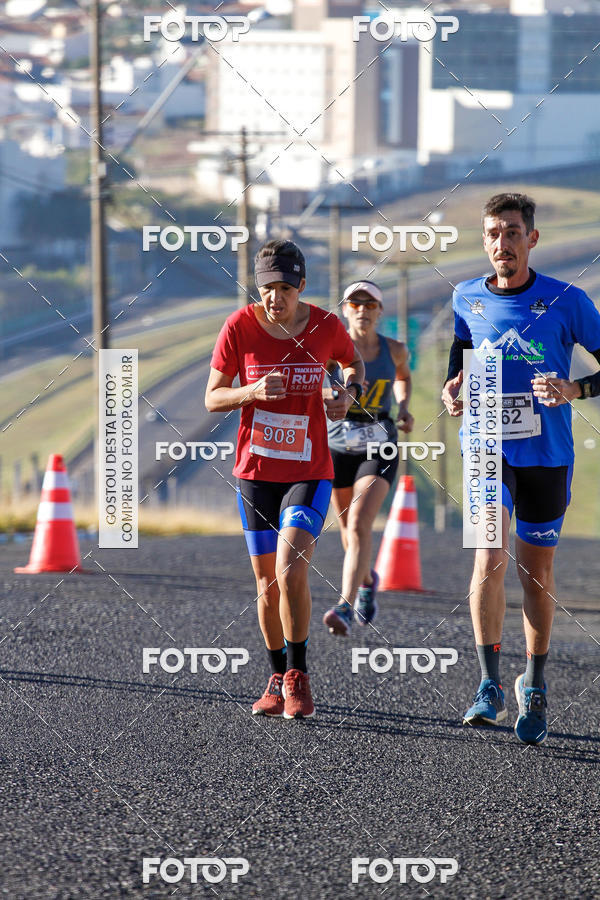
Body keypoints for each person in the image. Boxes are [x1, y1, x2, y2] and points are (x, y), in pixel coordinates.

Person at [442, 192, 600, 745]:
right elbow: (461, 350)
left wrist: (574, 387)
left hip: (548, 458)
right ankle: (487, 683)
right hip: (486, 449)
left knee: (536, 575)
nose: (502, 243)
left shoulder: (567, 300)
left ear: (531, 239)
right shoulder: (465, 296)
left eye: (512, 232)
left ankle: (532, 684)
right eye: (493, 233)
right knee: (489, 557)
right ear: (483, 240)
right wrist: (452, 388)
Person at [205, 239, 365, 719]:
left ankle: (298, 675)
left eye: (285, 288)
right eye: (267, 288)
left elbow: (351, 362)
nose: (275, 298)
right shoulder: (238, 327)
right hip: (255, 473)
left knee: (290, 568)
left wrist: (347, 392)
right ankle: (275, 676)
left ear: (301, 287)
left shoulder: (325, 326)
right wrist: (250, 390)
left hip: (308, 469)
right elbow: (212, 398)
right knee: (264, 583)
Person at [322, 280, 413, 635]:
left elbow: (404, 377)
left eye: (369, 304)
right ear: (345, 310)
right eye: (355, 304)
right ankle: (367, 580)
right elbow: (315, 379)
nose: (362, 310)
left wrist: (404, 406)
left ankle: (343, 606)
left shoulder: (395, 350)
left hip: (380, 442)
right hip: (337, 444)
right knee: (347, 530)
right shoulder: (331, 351)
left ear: (379, 312)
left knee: (360, 521)